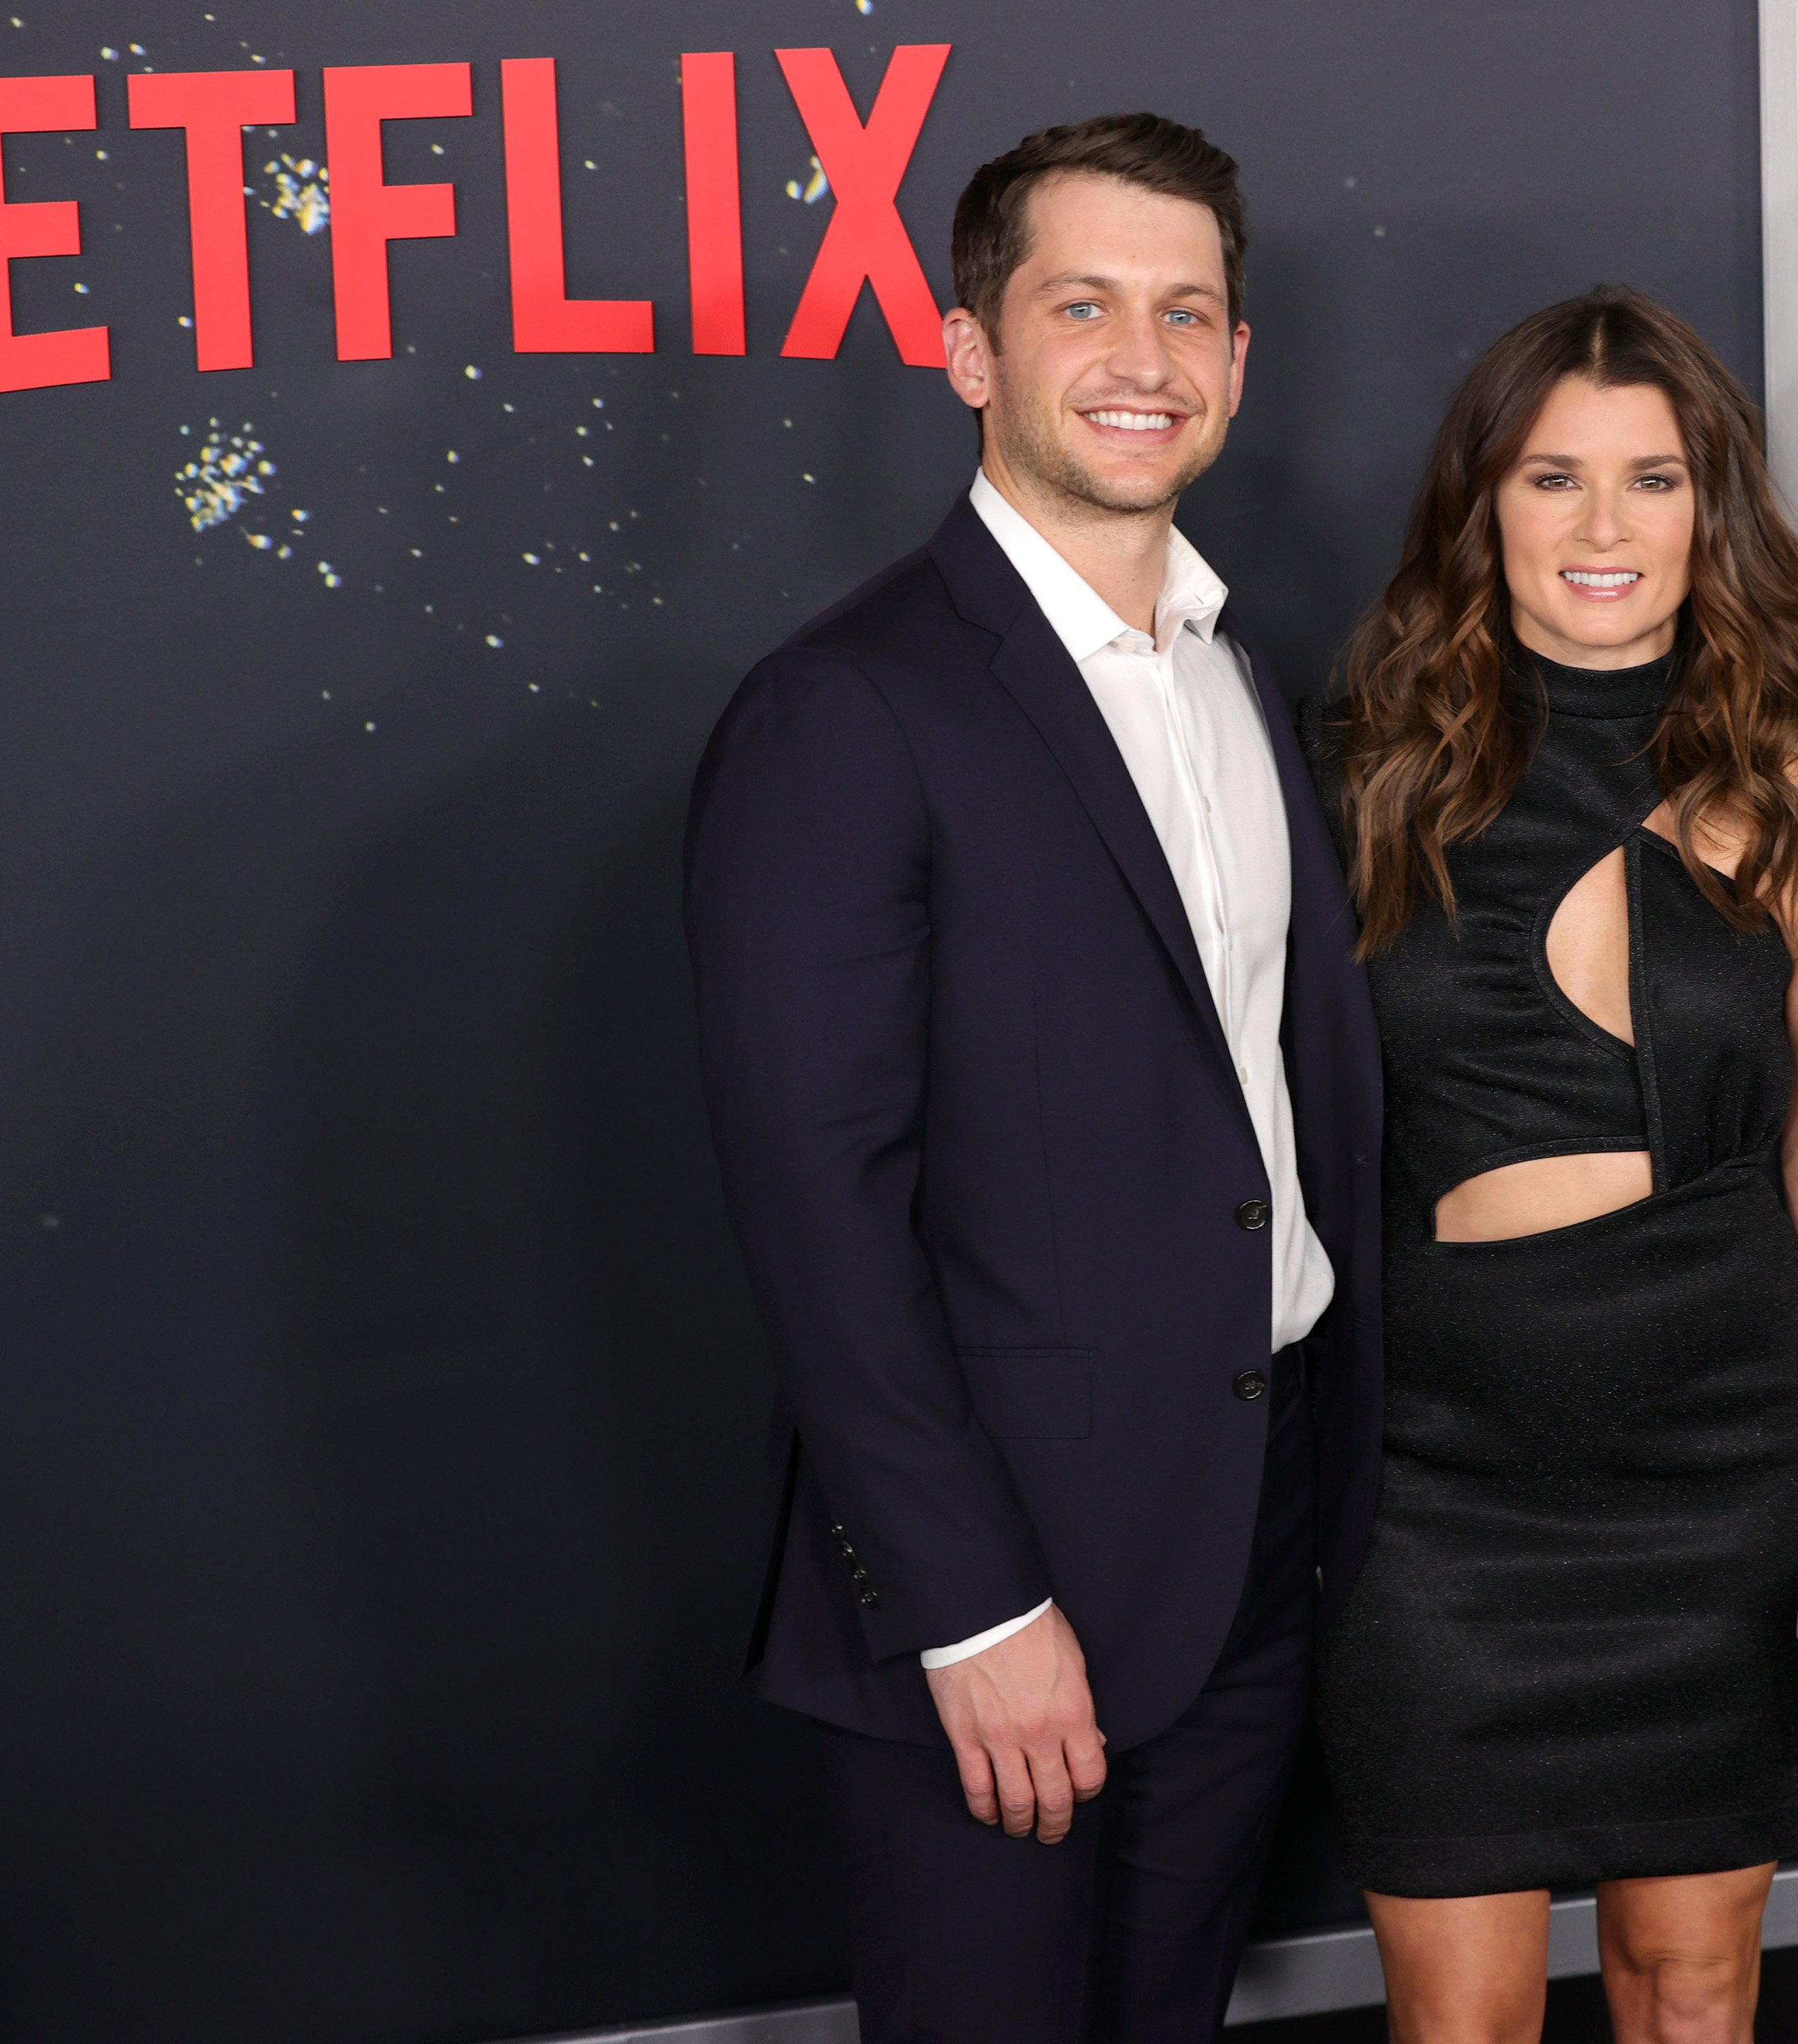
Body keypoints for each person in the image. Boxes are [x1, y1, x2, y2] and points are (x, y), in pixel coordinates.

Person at [684, 114, 1380, 2043]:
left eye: (1187, 314)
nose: (1141, 360)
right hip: (1001, 1584)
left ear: (1241, 362)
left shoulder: (1247, 676)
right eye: (1082, 306)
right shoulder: (847, 710)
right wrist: (972, 1613)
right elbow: (821, 1210)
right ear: (973, 346)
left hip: (1256, 1528)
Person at [1311, 286, 1798, 2043]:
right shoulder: (1363, 790)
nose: (1604, 528)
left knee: (1693, 1984)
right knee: (1457, 2015)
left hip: (1721, 1491)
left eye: (1655, 480)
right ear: (1485, 511)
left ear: (1715, 514)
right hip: (1434, 1507)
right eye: (1552, 480)